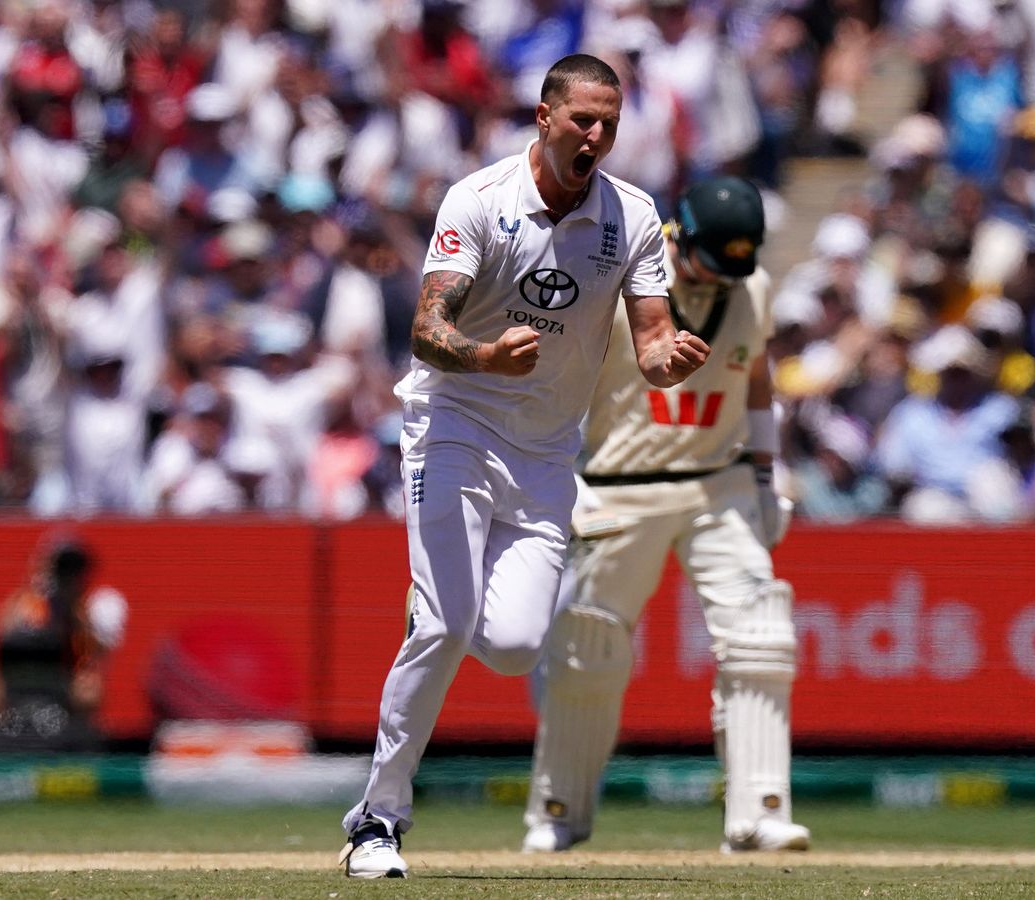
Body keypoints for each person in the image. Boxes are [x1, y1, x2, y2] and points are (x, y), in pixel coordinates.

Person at [338, 54, 711, 879]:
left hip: (547, 449)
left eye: (610, 122)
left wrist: (665, 360)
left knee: (508, 643)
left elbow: (650, 334)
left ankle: (437, 600)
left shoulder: (634, 216)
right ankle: (378, 821)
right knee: (445, 625)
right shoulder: (480, 200)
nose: (598, 135)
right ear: (544, 117)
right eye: (584, 119)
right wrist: (483, 358)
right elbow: (427, 329)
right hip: (456, 419)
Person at [519, 175, 810, 856]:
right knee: (588, 644)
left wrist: (767, 475)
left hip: (719, 484)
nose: (730, 274)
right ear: (680, 237)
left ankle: (759, 812)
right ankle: (559, 810)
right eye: (716, 258)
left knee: (760, 630)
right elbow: (554, 388)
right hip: (620, 486)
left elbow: (758, 380)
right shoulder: (615, 291)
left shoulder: (753, 287)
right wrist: (554, 479)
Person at [0, 538, 127, 741]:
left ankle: (78, 744)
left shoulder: (99, 602)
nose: (67, 575)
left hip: (66, 678)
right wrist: (33, 587)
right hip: (18, 678)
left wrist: (72, 607)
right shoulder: (31, 600)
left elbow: (97, 651)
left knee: (89, 690)